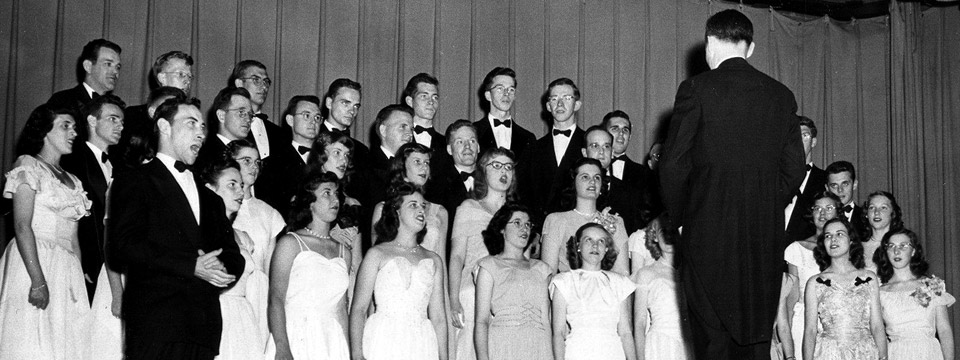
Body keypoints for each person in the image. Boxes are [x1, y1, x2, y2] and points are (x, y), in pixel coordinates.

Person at [659, 9, 805, 358]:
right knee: (755, 343)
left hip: (707, 238)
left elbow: (673, 163)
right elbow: (795, 168)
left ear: (709, 44)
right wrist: (766, 202)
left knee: (712, 345)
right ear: (750, 47)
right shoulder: (781, 96)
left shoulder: (695, 88)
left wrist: (681, 218)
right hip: (763, 242)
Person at [108, 95, 245, 360]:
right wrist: (190, 266)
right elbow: (122, 247)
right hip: (157, 326)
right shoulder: (135, 180)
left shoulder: (211, 198)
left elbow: (232, 253)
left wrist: (222, 270)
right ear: (164, 126)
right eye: (191, 124)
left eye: (203, 127)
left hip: (202, 329)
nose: (200, 134)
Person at [0, 105, 91, 359]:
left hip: (66, 268)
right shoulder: (28, 166)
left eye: (75, 127)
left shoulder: (74, 180)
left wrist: (77, 284)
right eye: (65, 126)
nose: (73, 132)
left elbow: (74, 240)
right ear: (44, 131)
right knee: (32, 341)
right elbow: (21, 225)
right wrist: (38, 280)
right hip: (33, 259)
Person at [350, 184, 448, 360]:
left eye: (423, 206)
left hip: (422, 344)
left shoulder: (434, 260)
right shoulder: (377, 254)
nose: (421, 211)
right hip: (384, 339)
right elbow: (359, 309)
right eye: (413, 205)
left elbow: (439, 317)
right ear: (396, 212)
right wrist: (357, 354)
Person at [266, 170, 357, 360]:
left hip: (331, 341)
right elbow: (276, 299)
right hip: (296, 334)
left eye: (336, 194)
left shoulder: (344, 252)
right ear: (310, 202)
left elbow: (341, 309)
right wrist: (282, 347)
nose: (335, 200)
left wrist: (347, 352)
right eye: (327, 193)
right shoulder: (291, 243)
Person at [449, 147, 518, 360]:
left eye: (508, 167)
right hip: (473, 287)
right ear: (483, 171)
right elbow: (457, 257)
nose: (503, 171)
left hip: (508, 289)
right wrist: (453, 299)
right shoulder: (469, 207)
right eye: (496, 166)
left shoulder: (518, 212)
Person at [60, 94, 125, 301]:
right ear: (91, 121)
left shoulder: (120, 165)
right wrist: (86, 261)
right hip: (89, 264)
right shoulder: (74, 160)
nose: (120, 127)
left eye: (122, 122)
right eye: (113, 119)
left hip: (114, 263)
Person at [199, 158, 264, 360]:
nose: (240, 192)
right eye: (232, 185)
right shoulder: (200, 233)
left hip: (243, 320)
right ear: (210, 189)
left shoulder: (242, 237)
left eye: (241, 186)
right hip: (215, 317)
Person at [473, 203, 552, 360]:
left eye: (528, 224)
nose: (524, 229)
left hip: (537, 346)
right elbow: (481, 321)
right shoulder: (489, 266)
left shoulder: (542, 269)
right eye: (517, 223)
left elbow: (545, 320)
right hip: (503, 344)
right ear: (502, 229)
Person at [802, 218, 886, 360]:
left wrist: (883, 356)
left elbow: (877, 326)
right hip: (829, 354)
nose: (833, 239)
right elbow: (810, 330)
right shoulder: (815, 282)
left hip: (864, 353)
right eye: (828, 236)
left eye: (839, 234)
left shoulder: (869, 278)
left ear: (851, 240)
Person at [227, 139, 286, 342]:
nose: (253, 167)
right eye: (246, 160)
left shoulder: (269, 213)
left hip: (259, 295)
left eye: (257, 162)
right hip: (229, 292)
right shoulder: (219, 205)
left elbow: (271, 269)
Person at [550, 223, 636, 360]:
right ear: (578, 246)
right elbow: (559, 333)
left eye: (601, 241)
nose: (595, 246)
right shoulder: (564, 281)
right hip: (578, 352)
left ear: (606, 248)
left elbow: (625, 332)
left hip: (613, 352)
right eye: (588, 240)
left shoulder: (620, 283)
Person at [540, 158, 630, 275]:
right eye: (585, 177)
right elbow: (548, 273)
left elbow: (623, 273)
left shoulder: (615, 222)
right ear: (574, 183)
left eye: (597, 177)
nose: (592, 182)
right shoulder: (556, 220)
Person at [875, 228, 954, 360]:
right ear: (886, 252)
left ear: (913, 251)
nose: (896, 251)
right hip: (896, 354)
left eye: (903, 246)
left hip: (928, 353)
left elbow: (944, 330)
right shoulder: (880, 292)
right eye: (891, 246)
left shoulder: (932, 285)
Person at [781, 192, 842, 360]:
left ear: (838, 213)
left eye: (829, 208)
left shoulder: (848, 249)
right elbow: (791, 299)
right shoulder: (796, 249)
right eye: (817, 208)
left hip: (840, 324)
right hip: (804, 322)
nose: (822, 213)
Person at [518, 78, 585, 220]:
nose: (560, 104)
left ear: (577, 104)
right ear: (548, 106)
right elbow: (523, 194)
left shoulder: (588, 143)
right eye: (554, 99)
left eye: (566, 98)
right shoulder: (533, 148)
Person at [370, 143, 448, 262]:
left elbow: (441, 261)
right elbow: (376, 258)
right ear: (402, 167)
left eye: (426, 163)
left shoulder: (439, 211)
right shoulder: (383, 208)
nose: (424, 168)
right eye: (417, 162)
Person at [632, 215, 692, 360]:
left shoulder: (690, 273)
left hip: (689, 346)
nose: (669, 236)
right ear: (655, 237)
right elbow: (639, 323)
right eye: (663, 231)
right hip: (661, 344)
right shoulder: (646, 273)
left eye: (673, 231)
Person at [258, 95, 322, 216]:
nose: (313, 121)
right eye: (306, 115)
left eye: (317, 117)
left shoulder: (327, 159)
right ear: (290, 120)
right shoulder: (272, 163)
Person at [47, 39, 122, 116]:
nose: (115, 71)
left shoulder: (116, 107)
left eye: (118, 67)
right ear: (88, 66)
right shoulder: (63, 100)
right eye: (108, 64)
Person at [473, 67, 535, 158]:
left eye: (511, 89)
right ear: (488, 95)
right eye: (500, 89)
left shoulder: (528, 138)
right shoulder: (473, 133)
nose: (506, 93)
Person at [784, 116, 828, 243]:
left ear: (814, 142)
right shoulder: (775, 178)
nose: (799, 140)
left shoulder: (824, 179)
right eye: (794, 136)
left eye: (805, 135)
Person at [230, 60, 285, 160]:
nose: (264, 87)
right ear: (239, 83)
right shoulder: (230, 127)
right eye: (256, 80)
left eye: (266, 81)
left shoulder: (278, 133)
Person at [196, 87, 253, 169]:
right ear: (221, 116)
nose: (248, 119)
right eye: (241, 112)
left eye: (250, 114)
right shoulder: (206, 156)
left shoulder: (250, 155)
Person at [861, 191, 903, 273]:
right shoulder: (857, 247)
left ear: (893, 213)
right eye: (872, 208)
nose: (876, 212)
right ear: (866, 214)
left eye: (883, 208)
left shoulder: (901, 245)